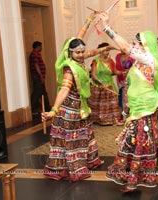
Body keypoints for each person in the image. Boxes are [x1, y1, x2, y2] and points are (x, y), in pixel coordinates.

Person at [99, 12, 158, 192]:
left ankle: (133, 181)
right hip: (138, 107)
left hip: (148, 109)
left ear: (144, 46)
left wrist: (107, 27)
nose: (133, 47)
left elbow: (125, 48)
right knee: (151, 142)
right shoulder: (138, 63)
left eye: (136, 44)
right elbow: (134, 83)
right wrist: (128, 104)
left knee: (138, 141)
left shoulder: (149, 59)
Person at [41, 13, 106, 182]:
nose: (82, 54)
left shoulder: (77, 57)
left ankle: (89, 160)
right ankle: (74, 169)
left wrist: (90, 19)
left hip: (80, 106)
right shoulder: (70, 69)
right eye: (78, 52)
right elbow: (63, 90)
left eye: (82, 51)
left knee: (85, 133)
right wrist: (53, 110)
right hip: (69, 109)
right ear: (70, 53)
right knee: (72, 138)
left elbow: (82, 38)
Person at [87, 42, 124, 126]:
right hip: (98, 86)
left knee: (113, 103)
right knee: (98, 106)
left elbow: (115, 72)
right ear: (100, 51)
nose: (107, 52)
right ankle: (98, 120)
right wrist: (101, 82)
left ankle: (113, 120)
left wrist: (123, 72)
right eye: (105, 50)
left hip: (109, 85)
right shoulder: (96, 61)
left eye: (108, 50)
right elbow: (93, 74)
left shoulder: (110, 61)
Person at [29, 41, 51, 113]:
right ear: (38, 46)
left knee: (43, 93)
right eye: (40, 46)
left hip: (39, 77)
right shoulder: (34, 54)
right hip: (38, 77)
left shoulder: (37, 54)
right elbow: (36, 65)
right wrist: (40, 75)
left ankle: (48, 108)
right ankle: (33, 108)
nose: (41, 48)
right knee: (37, 93)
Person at [115, 50, 134, 121]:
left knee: (128, 99)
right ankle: (124, 117)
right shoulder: (117, 56)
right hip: (121, 81)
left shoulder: (132, 57)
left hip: (130, 81)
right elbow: (117, 68)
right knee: (122, 100)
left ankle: (129, 116)